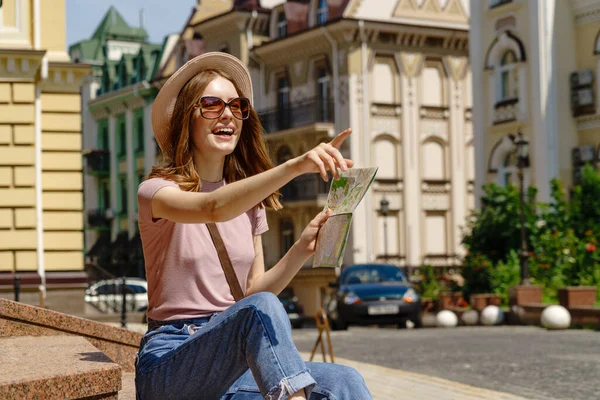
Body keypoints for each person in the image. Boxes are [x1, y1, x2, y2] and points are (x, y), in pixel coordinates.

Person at [135, 52, 372, 400]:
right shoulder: (157, 191)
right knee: (258, 310)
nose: (228, 114)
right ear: (188, 117)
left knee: (344, 382)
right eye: (212, 104)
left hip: (233, 359)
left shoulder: (249, 204)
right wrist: (294, 166)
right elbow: (212, 207)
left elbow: (253, 292)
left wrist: (301, 248)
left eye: (236, 105)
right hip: (171, 363)